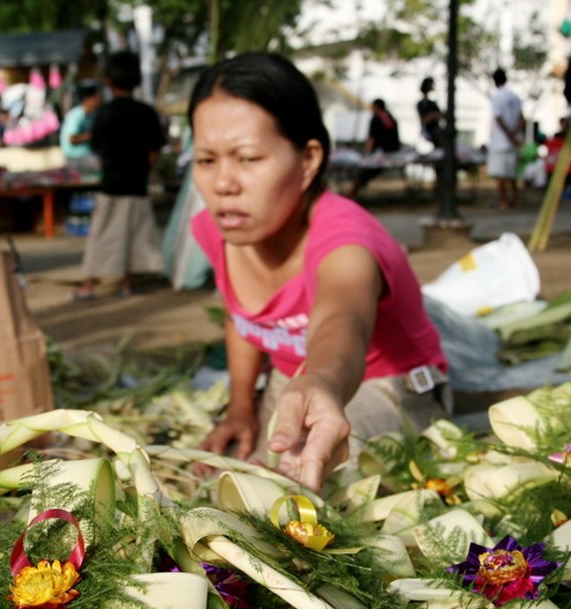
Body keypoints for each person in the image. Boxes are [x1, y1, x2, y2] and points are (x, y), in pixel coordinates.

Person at [188, 52, 450, 493]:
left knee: (287, 493)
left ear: (309, 159)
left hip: (385, 389)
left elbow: (340, 319)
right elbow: (241, 318)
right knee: (230, 485)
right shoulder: (217, 230)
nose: (223, 183)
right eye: (206, 160)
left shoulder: (347, 240)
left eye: (248, 159)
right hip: (295, 389)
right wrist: (240, 410)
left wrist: (323, 381)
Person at [74, 50, 166, 300]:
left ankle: (89, 284)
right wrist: (144, 171)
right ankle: (126, 283)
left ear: (108, 80)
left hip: (112, 183)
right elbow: (154, 151)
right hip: (137, 182)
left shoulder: (104, 113)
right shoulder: (146, 112)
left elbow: (97, 149)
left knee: (103, 235)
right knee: (134, 235)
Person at [487, 67, 524, 209]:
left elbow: (499, 118)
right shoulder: (515, 97)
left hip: (501, 141)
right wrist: (515, 134)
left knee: (501, 174)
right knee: (512, 173)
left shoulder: (497, 97)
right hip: (513, 141)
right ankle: (516, 199)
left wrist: (509, 135)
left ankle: (503, 201)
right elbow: (522, 119)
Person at [352, 98, 401, 194]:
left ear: (377, 107)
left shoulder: (376, 119)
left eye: (373, 107)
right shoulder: (391, 118)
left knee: (366, 170)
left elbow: (371, 139)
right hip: (394, 152)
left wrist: (366, 155)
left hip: (381, 154)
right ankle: (357, 186)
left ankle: (355, 188)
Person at [59, 81, 101, 165]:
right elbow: (71, 139)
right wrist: (89, 137)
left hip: (85, 154)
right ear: (87, 100)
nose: (98, 100)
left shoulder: (91, 114)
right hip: (75, 156)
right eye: (95, 98)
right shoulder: (77, 115)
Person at [417, 77, 445, 148]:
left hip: (435, 129)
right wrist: (433, 115)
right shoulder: (422, 103)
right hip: (429, 131)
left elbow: (441, 115)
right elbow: (425, 119)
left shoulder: (432, 102)